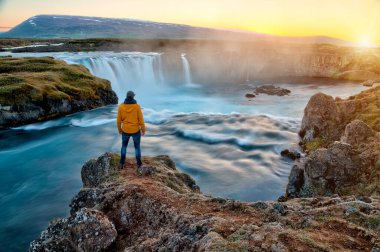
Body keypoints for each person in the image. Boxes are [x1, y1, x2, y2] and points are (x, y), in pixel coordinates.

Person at [117, 90, 146, 169]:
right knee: (137, 147)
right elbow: (141, 120)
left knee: (124, 146)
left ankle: (121, 163)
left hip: (125, 130)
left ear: (126, 96)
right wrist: (143, 130)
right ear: (133, 97)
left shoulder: (121, 106)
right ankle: (139, 163)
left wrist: (120, 129)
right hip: (135, 130)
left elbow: (119, 121)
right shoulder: (137, 106)